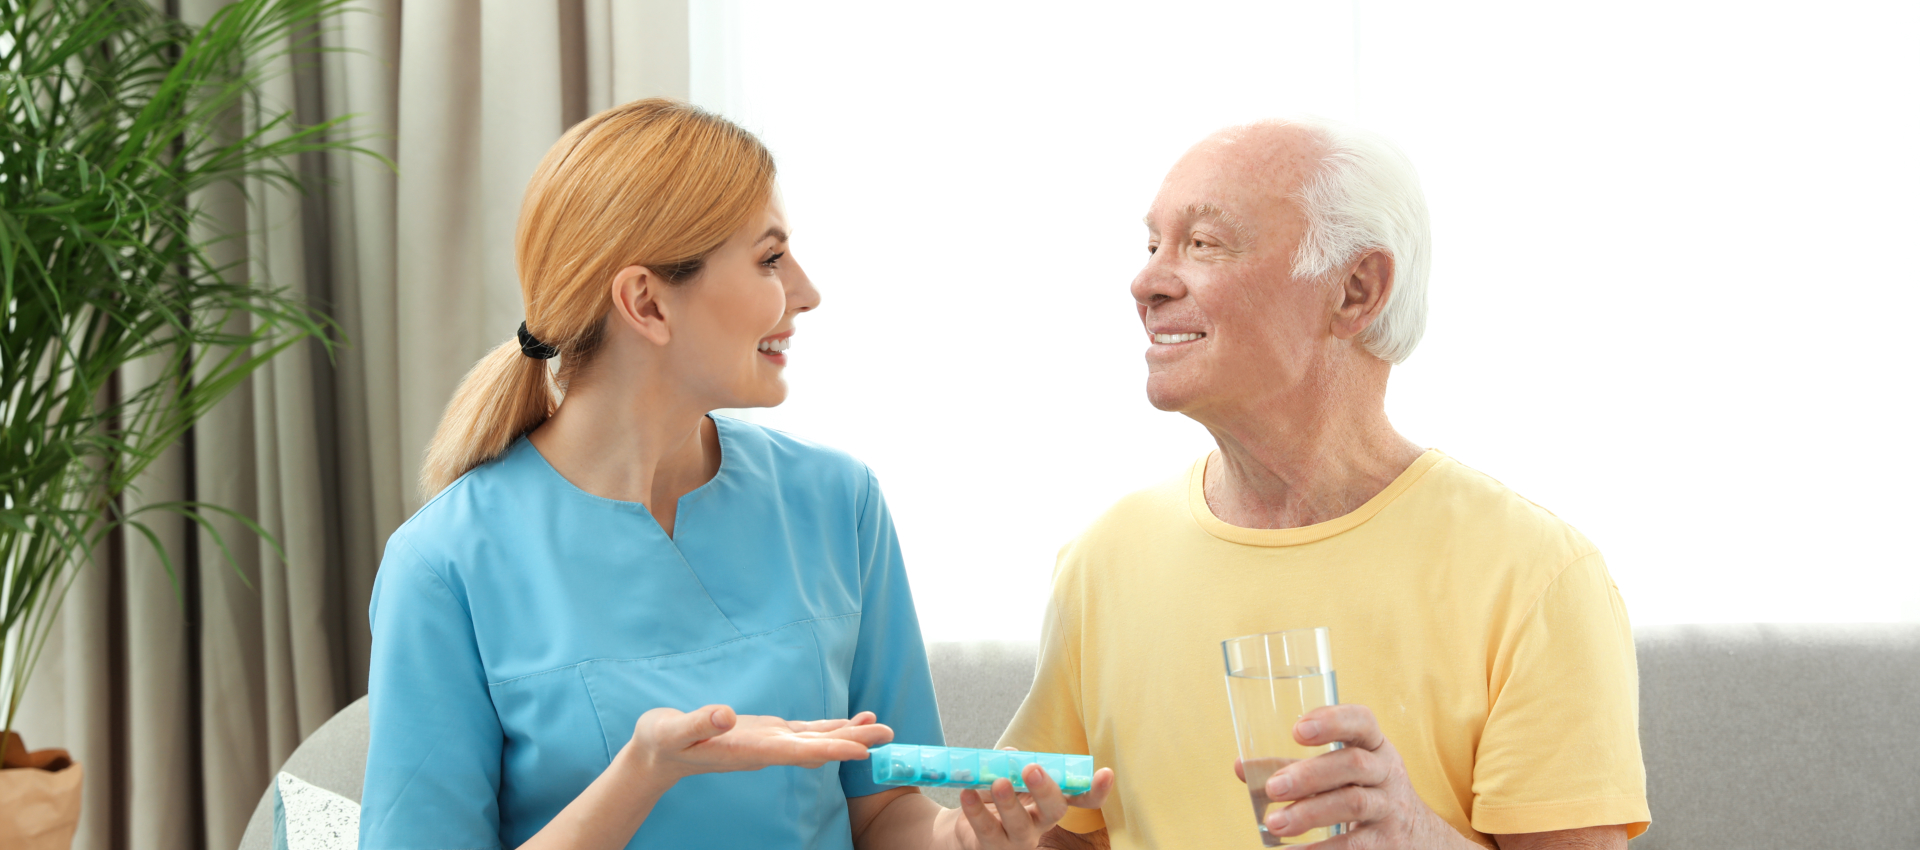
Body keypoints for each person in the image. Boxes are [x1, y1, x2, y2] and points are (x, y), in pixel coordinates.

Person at [359, 99, 1112, 850]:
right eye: (770, 260)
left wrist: (967, 839)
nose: (807, 294)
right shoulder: (446, 564)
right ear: (647, 302)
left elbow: (884, 813)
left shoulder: (836, 502)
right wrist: (643, 772)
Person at [999, 119, 1649, 850]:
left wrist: (1413, 834)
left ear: (1356, 290)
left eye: (1204, 244)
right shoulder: (1104, 558)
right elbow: (1068, 833)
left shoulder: (1535, 577)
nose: (1146, 282)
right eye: (1153, 245)